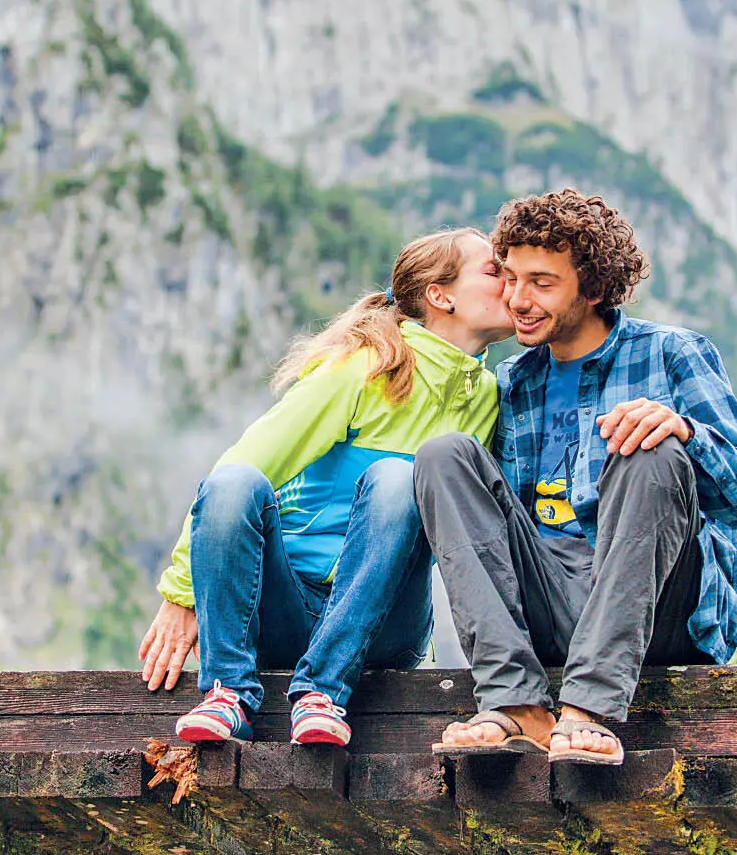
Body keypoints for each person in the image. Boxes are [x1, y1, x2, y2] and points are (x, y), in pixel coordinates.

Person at [414, 189, 737, 765]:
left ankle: (589, 711)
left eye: (542, 282)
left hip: (656, 609)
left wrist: (685, 432)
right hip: (551, 602)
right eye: (510, 278)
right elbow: (481, 525)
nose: (518, 299)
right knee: (442, 456)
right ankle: (518, 707)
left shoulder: (672, 353)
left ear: (595, 288)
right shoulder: (513, 382)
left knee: (649, 448)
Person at [138, 228, 514, 747]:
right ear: (440, 295)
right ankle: (227, 692)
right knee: (235, 483)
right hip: (286, 611)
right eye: (496, 271)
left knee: (400, 476)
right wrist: (182, 593)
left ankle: (323, 693)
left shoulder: (491, 398)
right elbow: (245, 464)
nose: (513, 285)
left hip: (382, 628)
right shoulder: (363, 369)